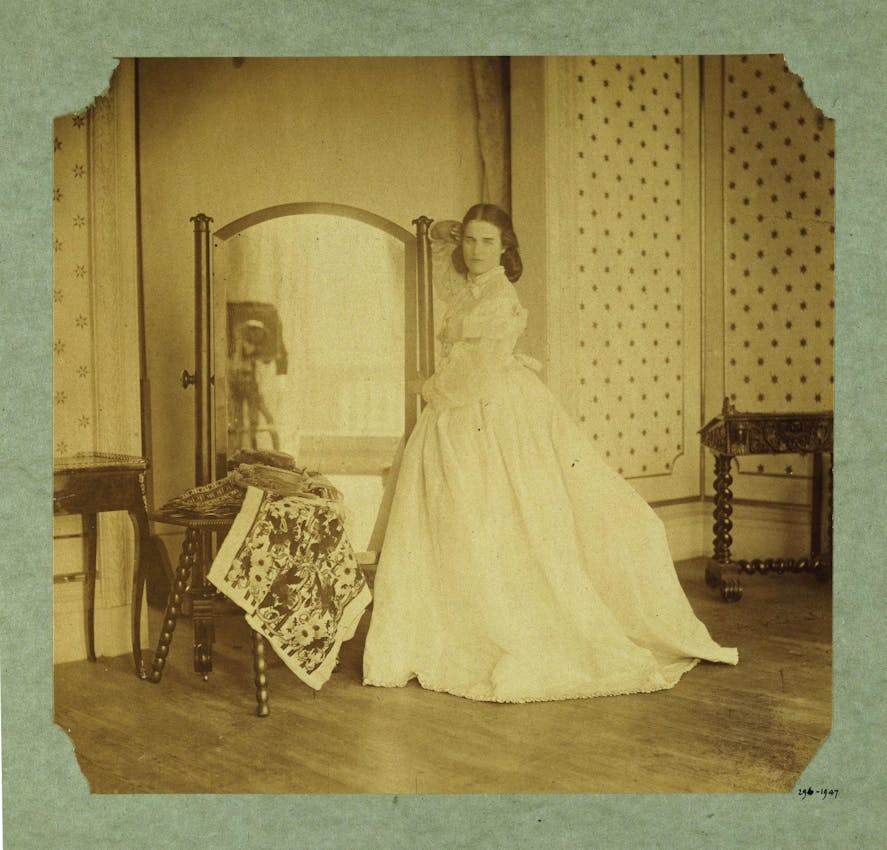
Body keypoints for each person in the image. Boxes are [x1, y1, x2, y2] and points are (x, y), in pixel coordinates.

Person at [362, 203, 737, 703]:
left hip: (483, 407)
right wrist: (445, 236)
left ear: (506, 248)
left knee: (500, 517)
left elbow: (475, 371)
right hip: (460, 410)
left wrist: (426, 386)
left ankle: (498, 627)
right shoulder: (469, 287)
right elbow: (434, 285)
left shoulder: (500, 295)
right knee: (460, 521)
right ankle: (458, 623)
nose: (475, 251)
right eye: (470, 241)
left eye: (487, 243)